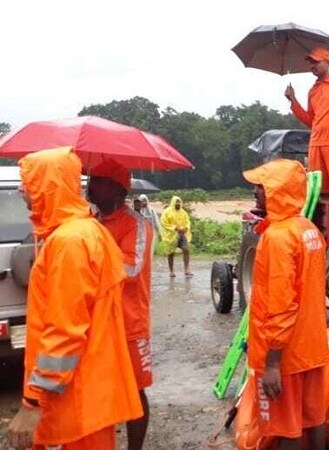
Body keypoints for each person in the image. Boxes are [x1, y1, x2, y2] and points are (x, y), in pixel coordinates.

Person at [6, 147, 142, 449]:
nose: (21, 191)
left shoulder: (70, 242)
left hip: (77, 399)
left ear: (46, 187)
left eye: (26, 183)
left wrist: (32, 403)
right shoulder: (83, 233)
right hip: (86, 392)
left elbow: (65, 332)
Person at [242, 159, 329, 449]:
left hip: (286, 355)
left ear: (279, 191)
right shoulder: (308, 230)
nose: (256, 192)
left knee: (285, 428)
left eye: (262, 187)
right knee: (313, 418)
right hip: (312, 349)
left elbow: (282, 306)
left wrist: (272, 364)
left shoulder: (278, 238)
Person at [87, 161, 154, 450]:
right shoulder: (89, 222)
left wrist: (93, 259)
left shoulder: (136, 224)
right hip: (97, 324)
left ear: (118, 189)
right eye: (90, 177)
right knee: (100, 389)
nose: (90, 184)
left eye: (98, 179)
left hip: (129, 324)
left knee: (135, 390)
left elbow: (131, 269)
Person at [285, 47, 329, 198]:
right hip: (316, 146)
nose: (312, 66)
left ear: (328, 60)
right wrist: (293, 100)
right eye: (310, 63)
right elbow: (311, 121)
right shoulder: (312, 91)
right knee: (319, 192)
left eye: (316, 61)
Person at [160, 196, 192, 277]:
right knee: (171, 253)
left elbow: (187, 221)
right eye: (176, 202)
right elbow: (164, 223)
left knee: (186, 249)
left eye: (179, 202)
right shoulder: (166, 212)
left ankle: (187, 269)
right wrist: (175, 228)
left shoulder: (183, 212)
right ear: (173, 202)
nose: (178, 204)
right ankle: (171, 271)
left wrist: (186, 228)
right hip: (170, 236)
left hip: (182, 235)